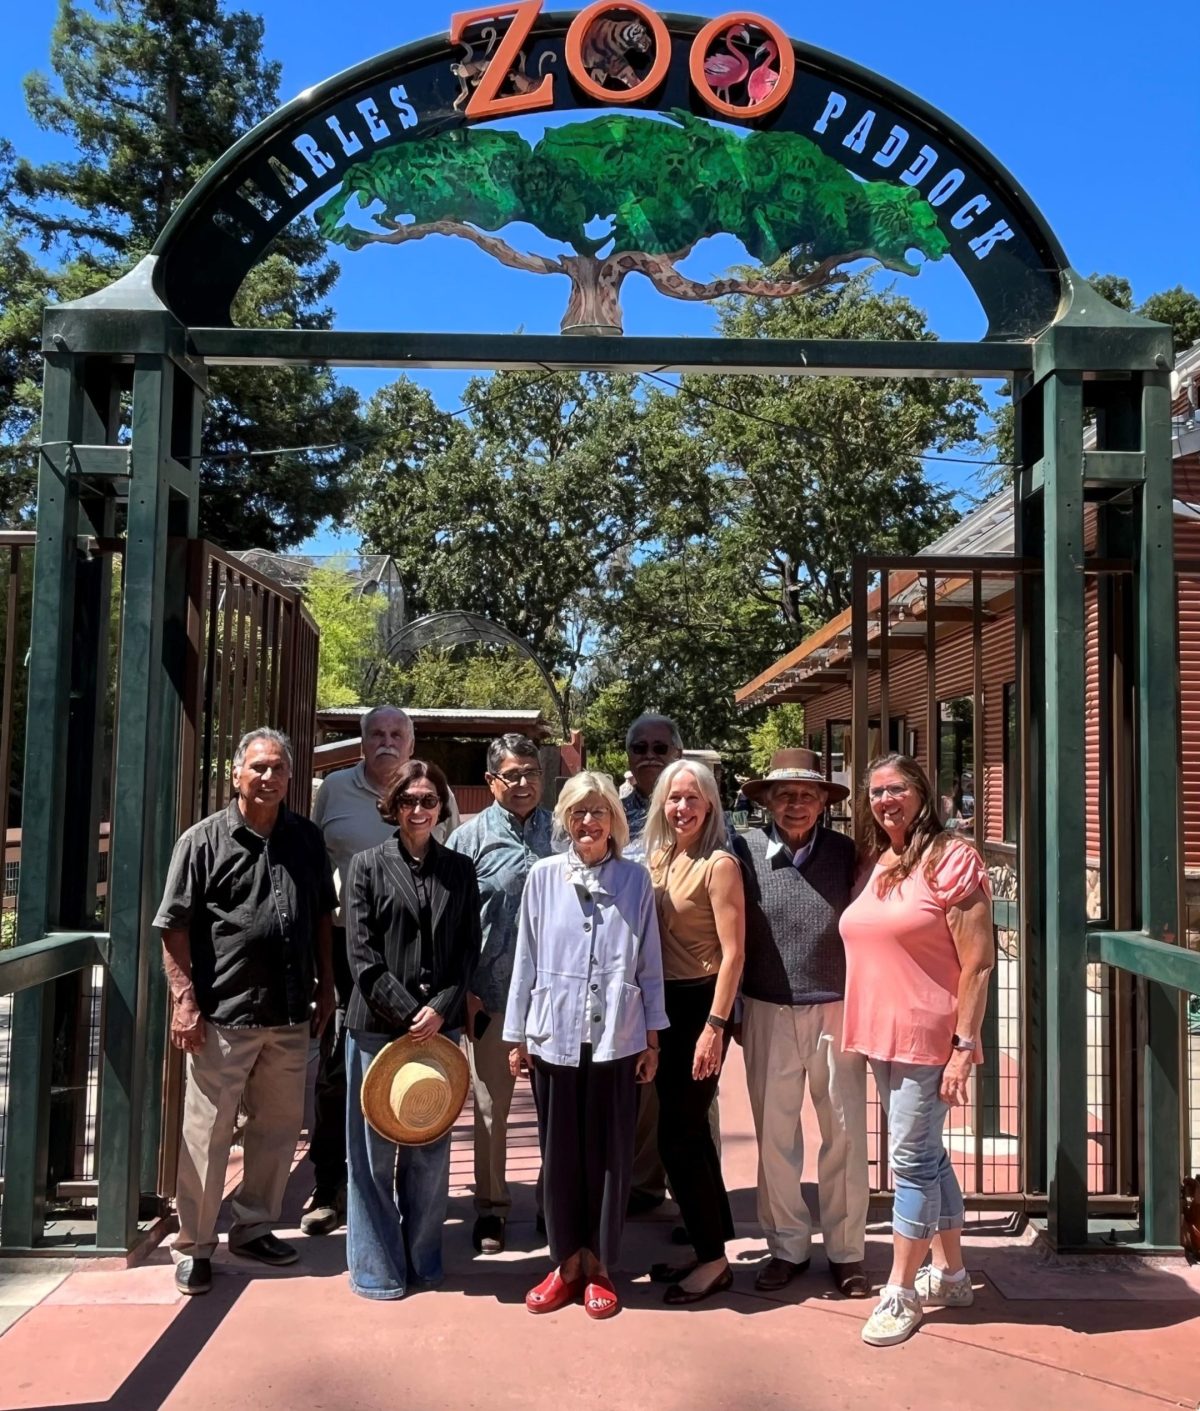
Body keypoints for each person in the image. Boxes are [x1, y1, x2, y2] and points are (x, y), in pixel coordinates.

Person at [155, 728, 336, 1297]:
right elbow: (173, 927)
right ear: (236, 774)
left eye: (278, 768)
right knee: (206, 1134)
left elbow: (322, 916)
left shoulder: (306, 839)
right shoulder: (202, 841)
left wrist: (328, 986)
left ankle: (254, 1227)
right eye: (258, 767)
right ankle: (194, 1245)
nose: (268, 777)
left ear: (291, 777)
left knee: (277, 1130)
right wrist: (185, 1001)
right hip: (223, 1015)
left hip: (289, 1013)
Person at [840, 753, 994, 1347]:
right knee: (927, 1155)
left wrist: (963, 1047)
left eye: (897, 789)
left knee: (910, 1163)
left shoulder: (953, 859)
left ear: (923, 793)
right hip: (882, 1035)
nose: (886, 800)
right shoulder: (878, 860)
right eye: (876, 792)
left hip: (928, 1040)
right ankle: (952, 1276)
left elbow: (978, 964)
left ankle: (900, 1291)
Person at [504, 771, 667, 1320]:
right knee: (560, 1157)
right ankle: (564, 1263)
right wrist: (517, 1035)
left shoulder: (635, 880)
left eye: (599, 811)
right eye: (578, 812)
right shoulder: (543, 876)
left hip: (616, 1037)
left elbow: (649, 962)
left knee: (610, 1157)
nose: (589, 822)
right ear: (565, 820)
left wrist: (652, 1038)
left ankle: (598, 1265)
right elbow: (525, 956)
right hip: (554, 1035)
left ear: (615, 821)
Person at [305, 704, 456, 1237]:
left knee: (417, 1072)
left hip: (417, 954)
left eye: (397, 734)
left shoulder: (433, 793)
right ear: (362, 740)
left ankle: (411, 1201)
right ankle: (330, 1185)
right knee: (338, 1073)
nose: (387, 742)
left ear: (411, 744)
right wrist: (324, 970)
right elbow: (316, 873)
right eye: (377, 733)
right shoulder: (333, 791)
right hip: (352, 950)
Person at [733, 749, 870, 1297]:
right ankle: (786, 1247)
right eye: (785, 795)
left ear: (822, 802)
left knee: (845, 1134)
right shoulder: (741, 850)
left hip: (837, 1007)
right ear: (767, 800)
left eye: (807, 795)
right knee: (774, 1136)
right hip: (766, 1008)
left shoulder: (846, 853)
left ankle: (847, 1251)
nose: (796, 804)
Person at [343, 759, 481, 1300]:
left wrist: (441, 1009)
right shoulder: (365, 866)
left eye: (428, 800)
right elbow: (361, 955)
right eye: (408, 800)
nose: (418, 810)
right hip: (377, 1027)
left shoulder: (460, 870)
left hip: (440, 1030)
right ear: (392, 806)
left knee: (429, 1149)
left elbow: (468, 949)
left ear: (441, 806)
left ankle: (424, 1259)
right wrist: (408, 1012)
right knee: (372, 1156)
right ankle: (377, 1268)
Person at [446, 733, 553, 1255]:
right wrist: (464, 990)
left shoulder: (564, 830)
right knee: (492, 1109)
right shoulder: (467, 841)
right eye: (512, 775)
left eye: (531, 773)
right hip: (491, 996)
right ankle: (491, 1207)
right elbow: (451, 922)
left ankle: (554, 1202)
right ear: (491, 781)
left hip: (555, 998)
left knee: (557, 1108)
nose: (523, 783)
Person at [644, 759, 745, 1305]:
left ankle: (712, 1261)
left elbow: (734, 954)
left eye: (692, 797)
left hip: (700, 1006)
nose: (682, 807)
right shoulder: (662, 857)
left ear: (710, 804)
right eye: (674, 797)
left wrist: (715, 1027)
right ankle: (712, 1244)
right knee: (691, 1134)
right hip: (665, 1005)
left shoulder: (719, 864)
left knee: (677, 1137)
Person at [621, 713, 683, 1216]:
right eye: (639, 747)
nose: (649, 756)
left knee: (693, 1094)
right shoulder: (612, 816)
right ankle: (641, 1186)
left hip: (689, 976)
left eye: (660, 748)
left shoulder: (700, 813)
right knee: (639, 1090)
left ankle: (694, 1201)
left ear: (676, 754)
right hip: (628, 979)